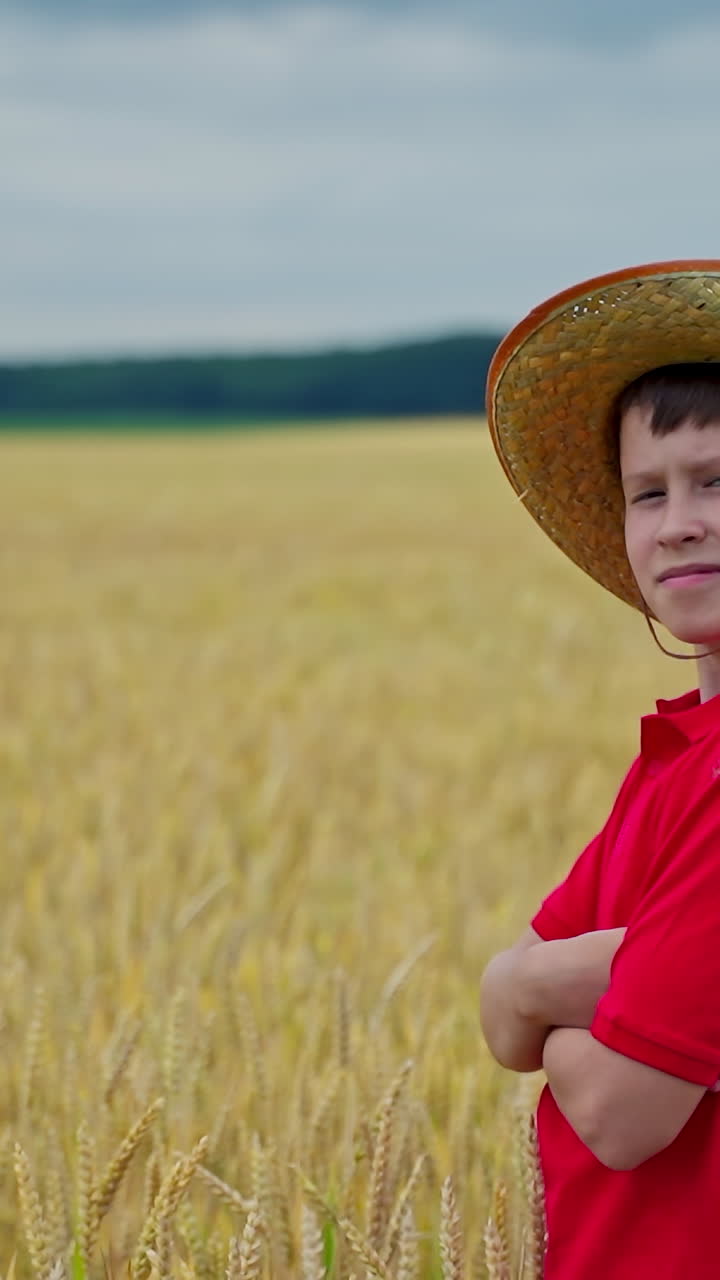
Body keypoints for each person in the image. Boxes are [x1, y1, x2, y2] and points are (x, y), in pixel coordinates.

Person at [479, 260, 720, 1279]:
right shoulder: (675, 758)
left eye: (718, 480)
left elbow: (626, 1114)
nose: (679, 522)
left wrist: (555, 987)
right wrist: (564, 977)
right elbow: (500, 1012)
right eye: (648, 491)